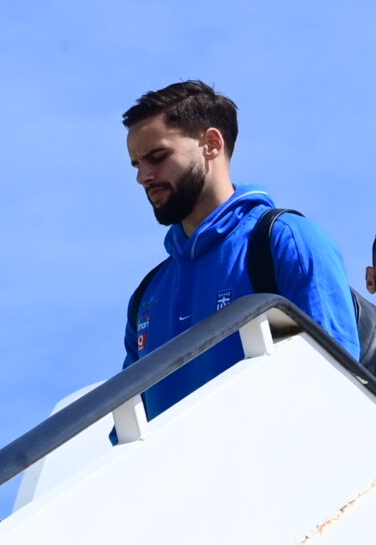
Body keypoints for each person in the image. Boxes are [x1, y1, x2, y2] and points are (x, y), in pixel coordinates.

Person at [120, 80, 361, 413]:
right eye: (137, 164)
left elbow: (334, 382)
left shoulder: (285, 239)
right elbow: (128, 424)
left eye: (157, 157)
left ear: (211, 144)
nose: (143, 176)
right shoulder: (148, 294)